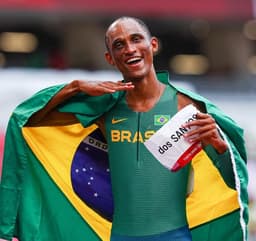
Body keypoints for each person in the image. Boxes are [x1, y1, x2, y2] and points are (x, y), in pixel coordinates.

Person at [0, 16, 248, 241]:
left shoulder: (187, 105)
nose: (129, 49)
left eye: (136, 39)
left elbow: (233, 183)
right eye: (119, 45)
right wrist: (75, 87)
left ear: (153, 45)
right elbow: (27, 120)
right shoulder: (106, 107)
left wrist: (220, 147)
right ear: (110, 58)